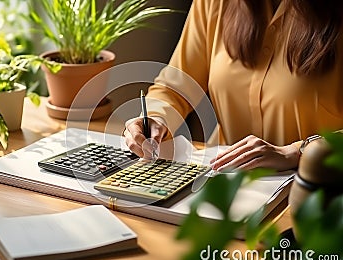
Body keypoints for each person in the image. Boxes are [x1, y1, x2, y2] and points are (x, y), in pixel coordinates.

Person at [123, 0, 343, 172]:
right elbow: (174, 88)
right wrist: (155, 118)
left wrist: (297, 152)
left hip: (317, 193)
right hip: (221, 182)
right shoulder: (215, 4)